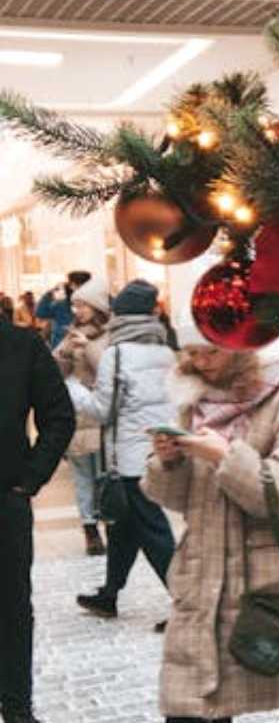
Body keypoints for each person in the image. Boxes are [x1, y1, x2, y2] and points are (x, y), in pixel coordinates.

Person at [144, 329, 279, 723]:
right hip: (203, 583)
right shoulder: (194, 404)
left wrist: (226, 457)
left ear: (240, 350)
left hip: (270, 584)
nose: (201, 363)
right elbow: (180, 500)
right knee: (192, 706)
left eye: (210, 353)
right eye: (192, 353)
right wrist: (171, 462)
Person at [67, 279, 177, 619]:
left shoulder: (118, 354)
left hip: (130, 456)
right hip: (158, 450)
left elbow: (102, 409)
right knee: (123, 528)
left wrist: (72, 387)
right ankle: (109, 594)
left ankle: (188, 601)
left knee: (152, 529)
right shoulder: (165, 350)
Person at [0, 314, 76, 723]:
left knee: (11, 607)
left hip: (4, 500)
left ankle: (15, 707)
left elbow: (59, 416)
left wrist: (29, 479)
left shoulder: (20, 344)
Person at [52, 275, 112, 556]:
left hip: (105, 414)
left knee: (106, 475)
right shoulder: (71, 333)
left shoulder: (112, 334)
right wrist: (65, 354)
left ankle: (111, 522)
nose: (76, 311)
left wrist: (86, 348)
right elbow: (57, 369)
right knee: (82, 475)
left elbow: (109, 370)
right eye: (75, 305)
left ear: (96, 306)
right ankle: (90, 529)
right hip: (80, 416)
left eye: (82, 305)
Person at [36, 270, 91, 348]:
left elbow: (40, 313)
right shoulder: (61, 304)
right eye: (74, 285)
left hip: (84, 347)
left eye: (80, 285)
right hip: (62, 348)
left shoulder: (95, 304)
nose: (76, 288)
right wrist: (50, 294)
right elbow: (40, 313)